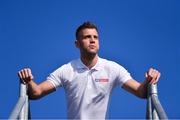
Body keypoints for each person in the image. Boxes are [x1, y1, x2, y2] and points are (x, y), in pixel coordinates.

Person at [18, 22, 161, 119]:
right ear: (77, 44)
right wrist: (28, 81)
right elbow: (36, 93)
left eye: (95, 37)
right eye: (87, 37)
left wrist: (148, 81)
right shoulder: (67, 70)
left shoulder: (112, 68)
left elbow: (141, 92)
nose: (92, 40)